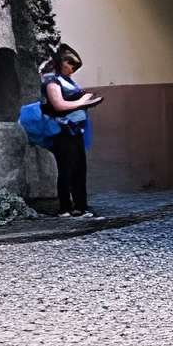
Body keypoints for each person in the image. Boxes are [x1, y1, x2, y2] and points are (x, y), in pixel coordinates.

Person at [39, 43, 102, 218]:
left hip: (76, 131)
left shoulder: (67, 81)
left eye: (76, 67)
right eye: (71, 65)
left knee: (80, 169)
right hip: (62, 131)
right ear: (62, 62)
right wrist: (83, 102)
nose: (73, 69)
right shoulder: (51, 81)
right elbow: (58, 105)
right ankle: (65, 207)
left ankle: (81, 206)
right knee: (66, 169)